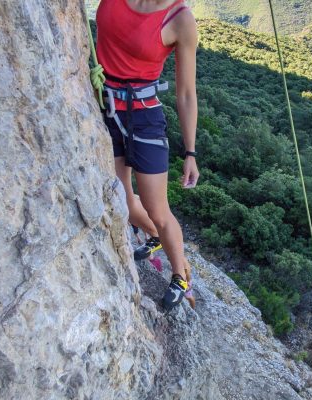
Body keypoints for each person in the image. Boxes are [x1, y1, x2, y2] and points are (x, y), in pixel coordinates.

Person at [96, 0, 199, 311]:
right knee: (123, 201)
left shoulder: (180, 19)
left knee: (158, 209)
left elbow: (185, 94)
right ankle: (153, 236)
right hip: (104, 107)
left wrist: (190, 152)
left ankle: (181, 274)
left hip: (144, 117)